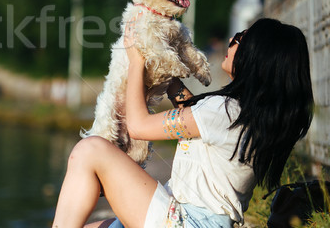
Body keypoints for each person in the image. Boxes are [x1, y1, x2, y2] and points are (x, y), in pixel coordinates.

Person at [51, 18, 314, 228]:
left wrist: (136, 62)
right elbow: (195, 117)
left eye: (241, 39)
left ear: (258, 58)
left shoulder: (224, 111)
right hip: (202, 221)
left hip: (187, 221)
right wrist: (171, 81)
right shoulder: (247, 115)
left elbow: (139, 126)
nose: (232, 40)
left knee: (90, 149)